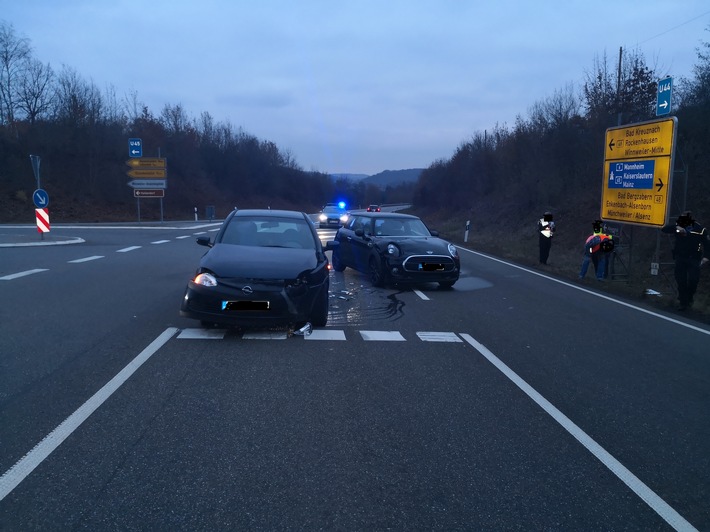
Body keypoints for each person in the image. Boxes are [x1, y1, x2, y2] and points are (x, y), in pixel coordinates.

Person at [661, 211, 710, 310]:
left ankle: (689, 298)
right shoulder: (679, 227)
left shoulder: (700, 229)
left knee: (693, 280)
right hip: (680, 258)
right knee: (681, 281)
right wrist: (676, 228)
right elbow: (665, 229)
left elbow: (707, 243)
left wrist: (706, 256)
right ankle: (684, 303)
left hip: (694, 259)